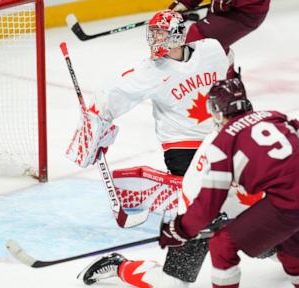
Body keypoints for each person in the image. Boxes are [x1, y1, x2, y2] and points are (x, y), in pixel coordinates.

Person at [68, 9, 232, 288]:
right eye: (153, 36)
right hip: (184, 148)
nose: (155, 42)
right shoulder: (149, 71)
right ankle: (123, 264)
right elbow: (108, 99)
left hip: (220, 139)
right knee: (205, 220)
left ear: (180, 36)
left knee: (254, 213)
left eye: (162, 36)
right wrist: (92, 134)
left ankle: (196, 203)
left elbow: (231, 77)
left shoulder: (212, 50)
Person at [158, 77, 299, 288]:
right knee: (172, 283)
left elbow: (206, 205)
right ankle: (121, 269)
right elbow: (196, 200)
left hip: (267, 212)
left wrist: (178, 229)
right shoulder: (274, 117)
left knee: (225, 245)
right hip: (213, 218)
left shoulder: (222, 143)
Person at [169, 0, 270, 78]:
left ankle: (224, 85)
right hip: (221, 10)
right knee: (212, 46)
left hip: (245, 13)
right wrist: (184, 3)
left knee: (199, 39)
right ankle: (228, 83)